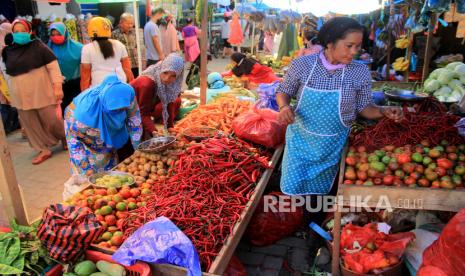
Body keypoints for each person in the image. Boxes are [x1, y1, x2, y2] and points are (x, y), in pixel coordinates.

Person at [276, 17, 404, 195]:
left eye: (358, 47)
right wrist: (284, 107)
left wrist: (384, 111)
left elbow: (365, 108)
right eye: (349, 45)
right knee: (292, 193)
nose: (354, 52)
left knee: (321, 198)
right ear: (330, 43)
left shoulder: (359, 71)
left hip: (333, 147)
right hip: (300, 143)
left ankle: (314, 219)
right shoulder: (303, 65)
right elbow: (284, 91)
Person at [2, 19, 66, 164]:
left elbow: (54, 68)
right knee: (30, 123)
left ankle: (64, 137)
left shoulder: (39, 47)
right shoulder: (7, 51)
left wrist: (57, 87)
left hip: (42, 91)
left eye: (23, 31)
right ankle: (43, 149)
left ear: (29, 31)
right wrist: (7, 94)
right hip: (20, 94)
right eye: (16, 32)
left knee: (52, 120)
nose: (19, 34)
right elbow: (6, 72)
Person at [64, 74, 142, 176]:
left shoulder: (127, 95)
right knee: (90, 166)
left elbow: (134, 121)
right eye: (115, 110)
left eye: (122, 109)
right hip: (83, 122)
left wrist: (138, 149)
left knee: (107, 154)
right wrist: (85, 168)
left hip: (98, 124)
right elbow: (74, 143)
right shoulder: (83, 116)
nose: (119, 112)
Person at [130, 54, 184, 140]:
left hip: (142, 109)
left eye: (173, 76)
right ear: (161, 69)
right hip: (123, 110)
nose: (167, 78)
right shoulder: (147, 83)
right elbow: (143, 113)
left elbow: (169, 103)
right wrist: (154, 131)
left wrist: (170, 126)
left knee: (176, 100)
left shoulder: (168, 83)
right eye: (165, 72)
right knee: (134, 139)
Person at [81, 17, 134, 91]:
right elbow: (127, 69)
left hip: (98, 88)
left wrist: (84, 94)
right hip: (120, 84)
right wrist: (131, 87)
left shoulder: (87, 48)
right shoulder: (119, 44)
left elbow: (85, 76)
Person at [48, 22, 83, 116]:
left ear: (65, 33)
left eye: (59, 34)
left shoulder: (78, 47)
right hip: (57, 86)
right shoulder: (46, 49)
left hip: (75, 84)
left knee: (76, 110)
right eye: (53, 35)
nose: (56, 37)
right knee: (62, 112)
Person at [112, 13, 144, 78]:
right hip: (123, 65)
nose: (130, 26)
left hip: (135, 64)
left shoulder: (136, 32)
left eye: (131, 23)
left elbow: (139, 47)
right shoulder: (114, 34)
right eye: (128, 23)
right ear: (121, 23)